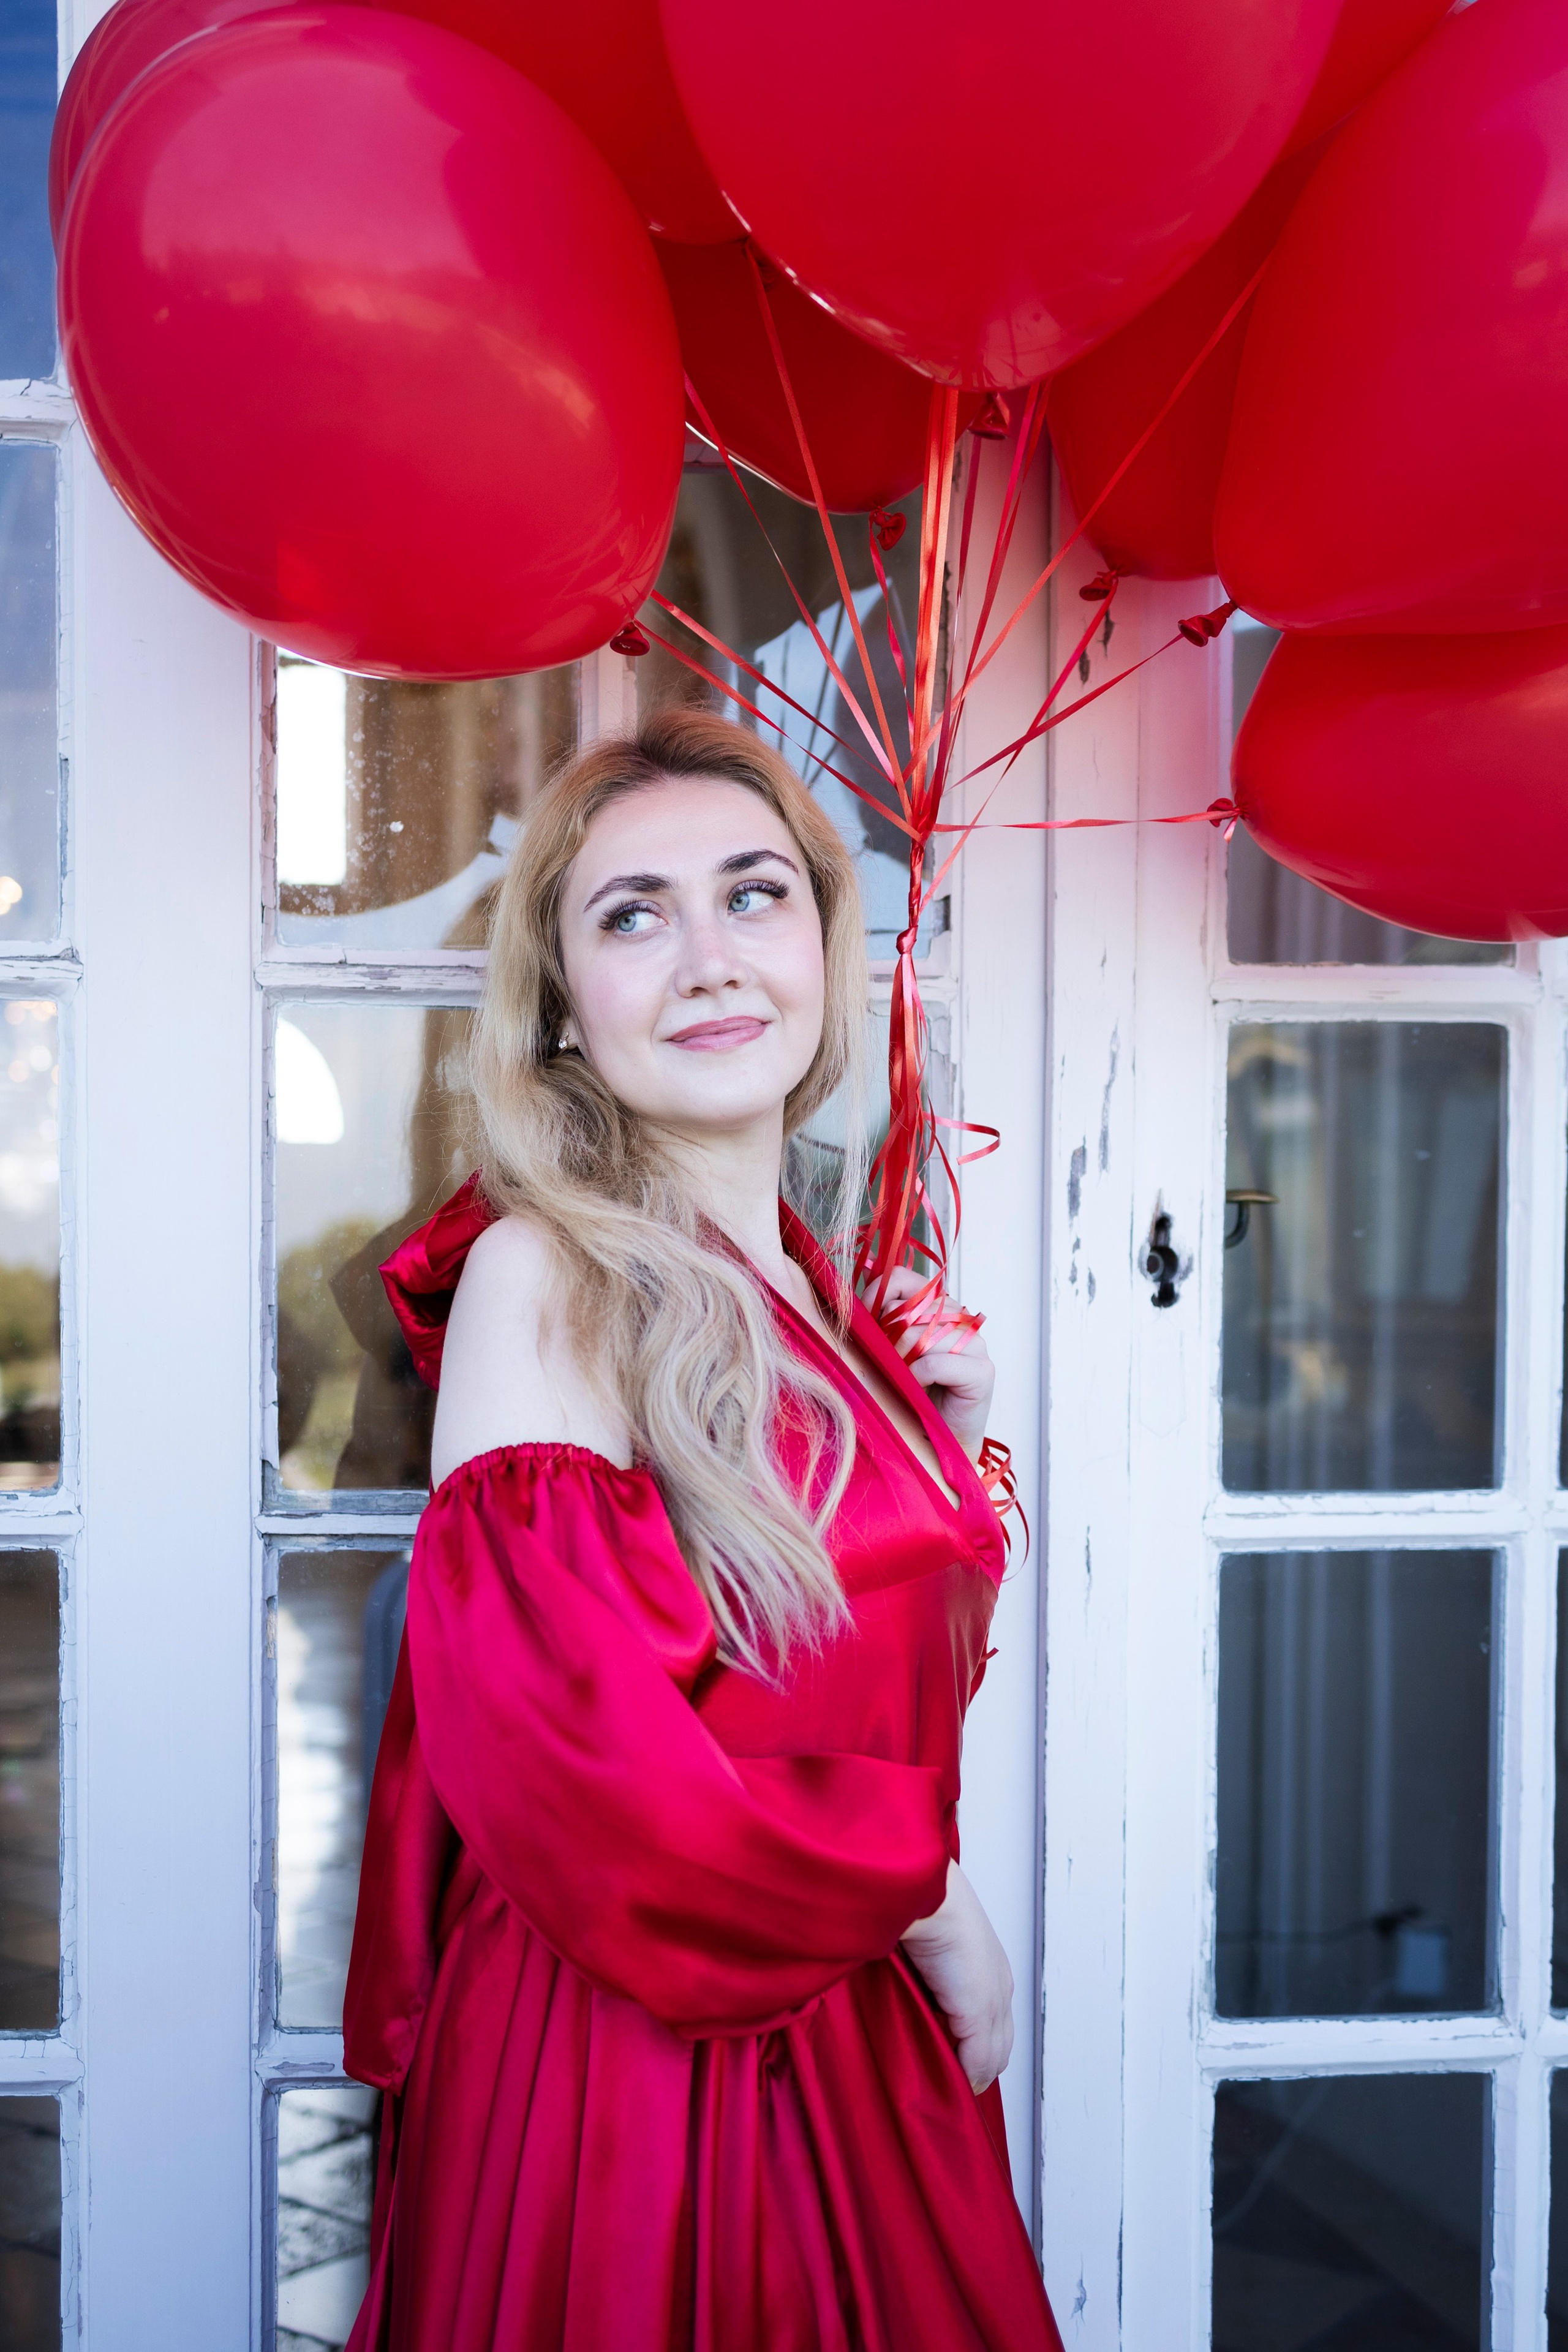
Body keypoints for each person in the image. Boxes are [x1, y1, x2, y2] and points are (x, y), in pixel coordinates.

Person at [343, 709, 1063, 2351]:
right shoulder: (554, 1271)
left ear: (822, 945)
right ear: (567, 1016)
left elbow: (825, 1673)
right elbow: (583, 1774)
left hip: (836, 2018)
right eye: (631, 914)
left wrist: (925, 1453)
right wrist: (940, 1911)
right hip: (645, 2072)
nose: (710, 957)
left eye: (753, 895)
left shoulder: (817, 1293)